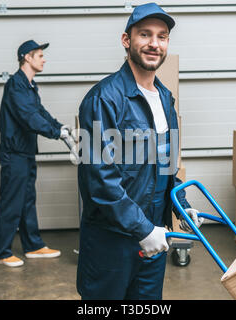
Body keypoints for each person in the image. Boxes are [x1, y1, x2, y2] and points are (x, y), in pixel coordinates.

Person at [76, 3, 204, 299]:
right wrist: (142, 229)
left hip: (154, 238)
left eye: (162, 36)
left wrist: (180, 205)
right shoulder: (102, 99)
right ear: (126, 40)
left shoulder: (164, 98)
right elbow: (100, 182)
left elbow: (167, 163)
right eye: (144, 35)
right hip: (113, 242)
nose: (154, 44)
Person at [0, 40, 72, 267]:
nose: (43, 59)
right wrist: (56, 133)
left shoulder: (29, 86)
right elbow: (29, 117)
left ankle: (33, 246)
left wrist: (60, 126)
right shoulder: (16, 85)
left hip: (26, 152)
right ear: (27, 57)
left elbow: (40, 112)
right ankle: (1, 252)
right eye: (39, 55)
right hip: (14, 153)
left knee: (27, 200)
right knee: (11, 201)